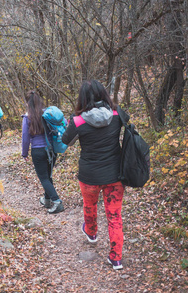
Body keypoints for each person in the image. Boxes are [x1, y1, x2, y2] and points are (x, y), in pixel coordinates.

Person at [62, 80, 129, 270]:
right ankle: (116, 258)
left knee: (90, 205)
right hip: (115, 175)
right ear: (104, 94)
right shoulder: (117, 114)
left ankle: (91, 233)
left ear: (82, 98)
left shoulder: (78, 121)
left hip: (89, 175)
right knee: (114, 216)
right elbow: (128, 123)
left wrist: (71, 122)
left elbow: (66, 141)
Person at [21, 90, 64, 214]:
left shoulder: (27, 117)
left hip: (38, 151)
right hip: (52, 150)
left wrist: (24, 153)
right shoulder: (48, 114)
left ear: (27, 103)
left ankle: (56, 201)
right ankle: (46, 199)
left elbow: (25, 138)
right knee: (48, 175)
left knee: (44, 177)